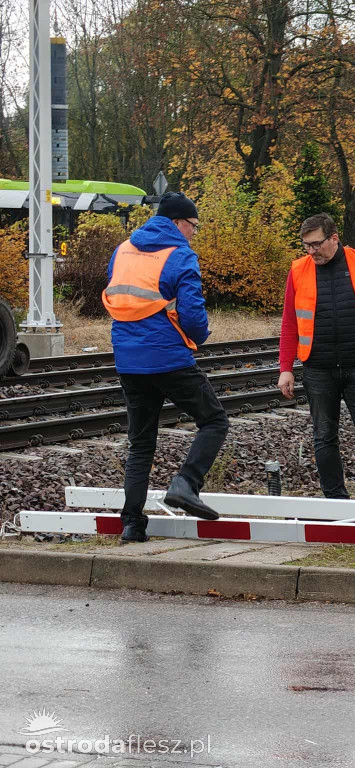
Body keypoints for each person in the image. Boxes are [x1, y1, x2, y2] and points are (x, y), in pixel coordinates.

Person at [102, 192, 229, 542]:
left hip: (128, 360)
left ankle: (131, 524)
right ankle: (186, 483)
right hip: (169, 358)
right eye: (193, 226)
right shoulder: (180, 255)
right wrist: (200, 336)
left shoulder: (123, 249)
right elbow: (192, 314)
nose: (193, 232)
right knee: (214, 420)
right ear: (177, 222)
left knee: (140, 443)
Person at [276, 213, 355, 501]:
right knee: (324, 438)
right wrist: (286, 368)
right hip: (318, 367)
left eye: (316, 244)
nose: (311, 251)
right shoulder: (298, 270)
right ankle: (336, 504)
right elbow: (289, 322)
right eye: (306, 245)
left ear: (334, 238)